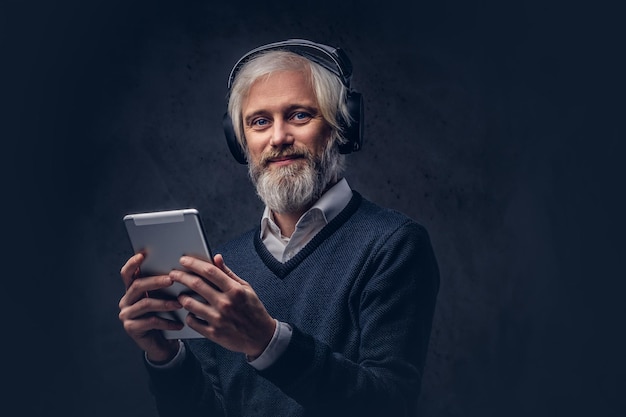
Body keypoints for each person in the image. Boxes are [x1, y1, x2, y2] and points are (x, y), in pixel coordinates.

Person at [118, 39, 440, 417]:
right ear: (241, 143)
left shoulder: (394, 244)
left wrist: (267, 341)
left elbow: (389, 405)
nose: (278, 137)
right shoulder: (222, 269)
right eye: (259, 122)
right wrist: (167, 358)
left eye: (300, 115)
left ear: (341, 127)